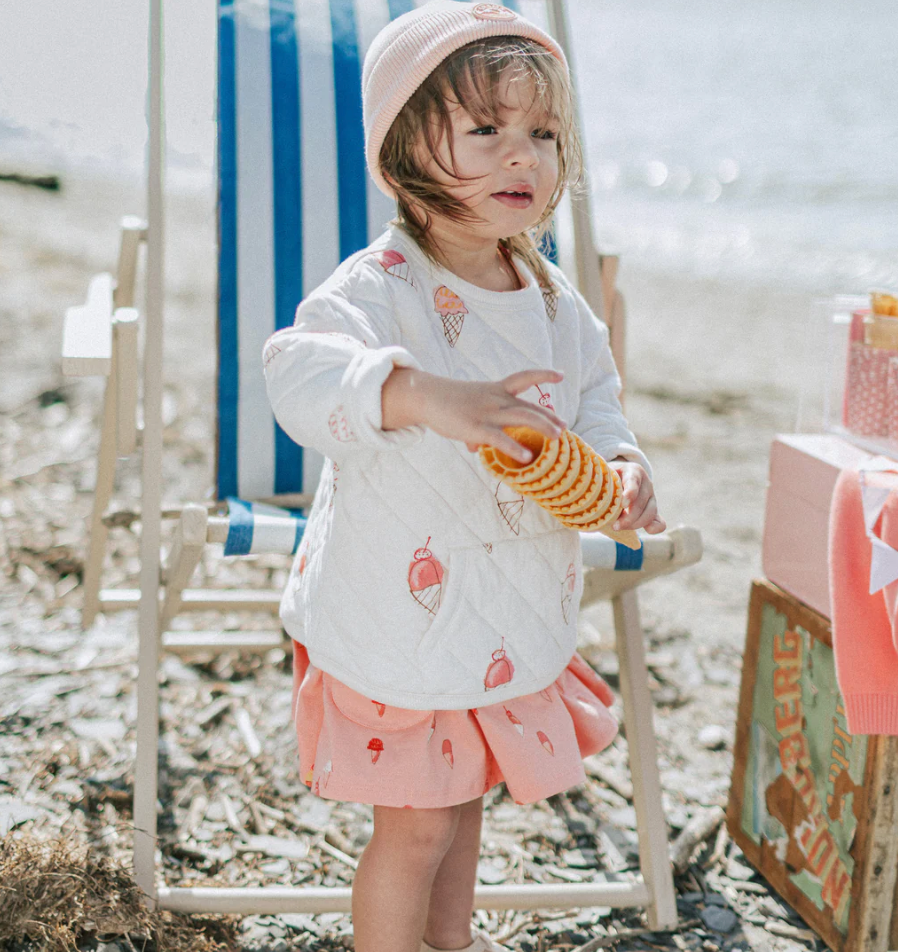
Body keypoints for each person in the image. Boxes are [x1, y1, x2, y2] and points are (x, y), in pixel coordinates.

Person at [262, 4, 665, 950]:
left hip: (504, 601)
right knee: (417, 824)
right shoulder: (377, 290)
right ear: (404, 149)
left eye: (543, 133)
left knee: (466, 805)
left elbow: (598, 398)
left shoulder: (554, 299)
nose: (522, 156)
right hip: (401, 615)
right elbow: (296, 370)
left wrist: (622, 464)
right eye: (486, 130)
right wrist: (421, 395)